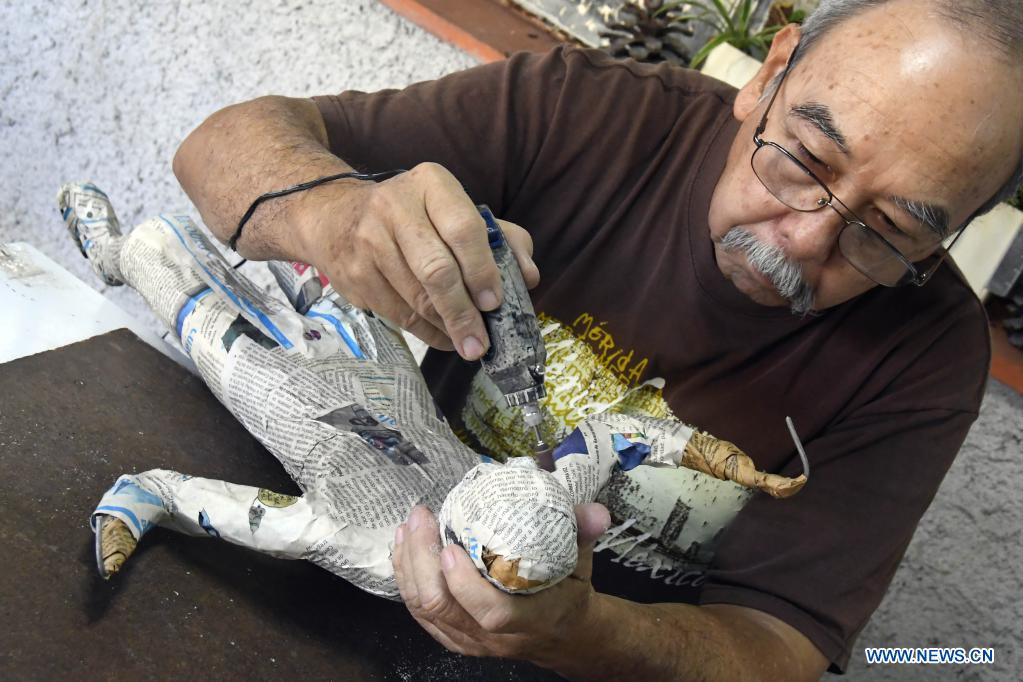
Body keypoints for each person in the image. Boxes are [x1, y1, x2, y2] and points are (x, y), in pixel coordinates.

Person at [171, 0, 1023, 678]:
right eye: (802, 160)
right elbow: (218, 149)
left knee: (959, 662)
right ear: (767, 76)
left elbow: (776, 647)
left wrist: (577, 631)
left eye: (884, 230)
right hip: (356, 560)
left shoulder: (927, 355)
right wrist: (333, 215)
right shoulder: (595, 114)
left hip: (600, 662)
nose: (801, 240)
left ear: (949, 240)